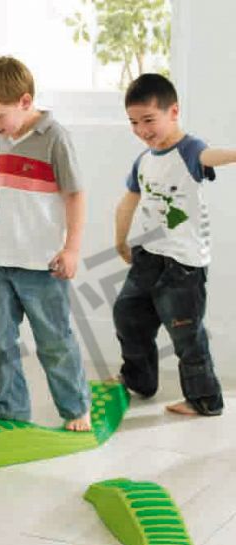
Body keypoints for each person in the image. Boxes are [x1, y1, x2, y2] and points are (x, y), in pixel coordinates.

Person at [0, 57, 91, 431]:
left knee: (53, 341)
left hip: (43, 264)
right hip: (0, 260)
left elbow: (76, 195)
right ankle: (11, 405)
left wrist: (72, 249)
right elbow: (2, 192)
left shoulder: (55, 138)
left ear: (25, 101)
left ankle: (76, 407)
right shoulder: (3, 139)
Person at [113, 73, 231, 417]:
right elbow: (128, 201)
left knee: (185, 333)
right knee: (127, 314)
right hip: (148, 256)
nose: (141, 129)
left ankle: (205, 399)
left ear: (173, 111)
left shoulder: (189, 150)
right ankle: (139, 380)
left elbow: (210, 156)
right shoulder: (144, 160)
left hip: (182, 265)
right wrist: (120, 239)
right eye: (133, 122)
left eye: (149, 120)